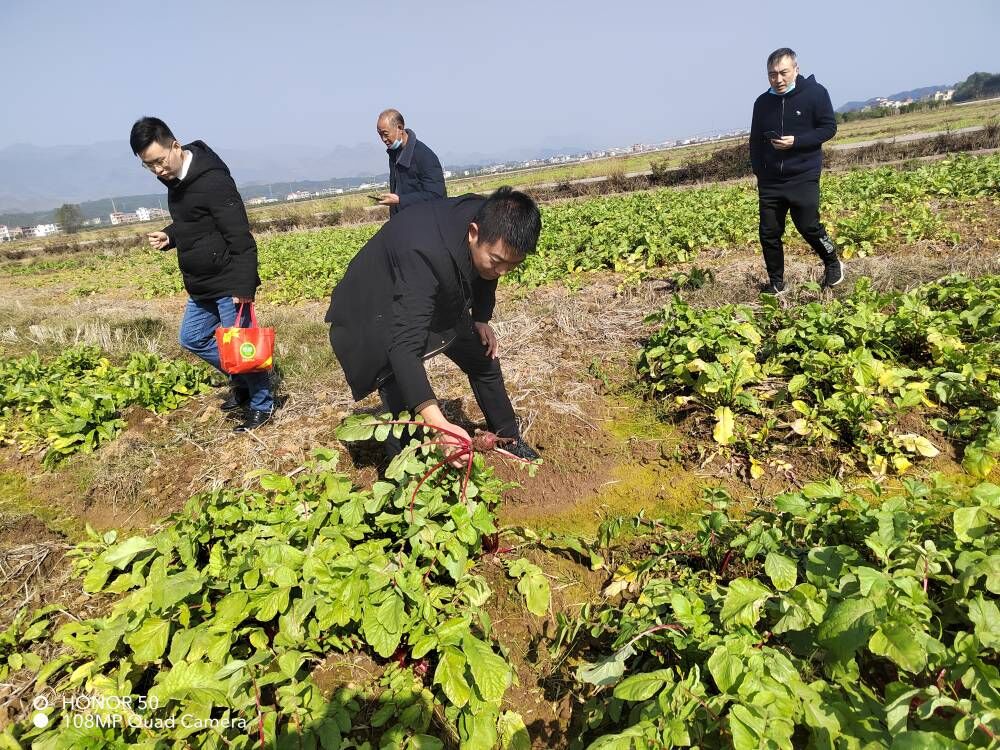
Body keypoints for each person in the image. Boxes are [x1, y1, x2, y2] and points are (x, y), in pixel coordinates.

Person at [325, 187, 541, 461]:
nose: (502, 271)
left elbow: (489, 274)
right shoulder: (424, 250)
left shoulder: (490, 218)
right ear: (473, 233)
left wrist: (480, 318)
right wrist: (439, 424)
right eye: (497, 261)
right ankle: (404, 475)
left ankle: (508, 438)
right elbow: (404, 347)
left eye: (513, 265)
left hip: (435, 293)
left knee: (483, 360)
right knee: (399, 393)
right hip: (375, 308)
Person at [129, 117, 275, 432]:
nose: (158, 170)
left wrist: (244, 287)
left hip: (228, 282)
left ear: (175, 146)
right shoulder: (175, 183)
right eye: (149, 165)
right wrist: (170, 235)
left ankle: (262, 404)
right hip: (201, 284)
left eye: (159, 161)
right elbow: (194, 222)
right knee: (192, 338)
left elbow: (240, 236)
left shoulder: (213, 181)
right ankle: (242, 379)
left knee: (243, 347)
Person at [750, 47, 844, 294]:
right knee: (769, 233)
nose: (778, 79)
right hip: (771, 180)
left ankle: (832, 262)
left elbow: (829, 128)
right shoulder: (762, 103)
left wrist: (797, 141)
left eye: (783, 72)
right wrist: (760, 172)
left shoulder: (815, 93)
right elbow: (755, 141)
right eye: (772, 74)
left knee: (808, 226)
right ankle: (776, 283)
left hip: (803, 174)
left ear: (796, 70)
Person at [374, 109, 446, 216]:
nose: (383, 139)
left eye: (386, 134)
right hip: (404, 219)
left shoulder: (424, 155)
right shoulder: (394, 154)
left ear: (400, 128)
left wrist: (400, 200)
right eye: (380, 135)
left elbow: (436, 194)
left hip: (426, 219)